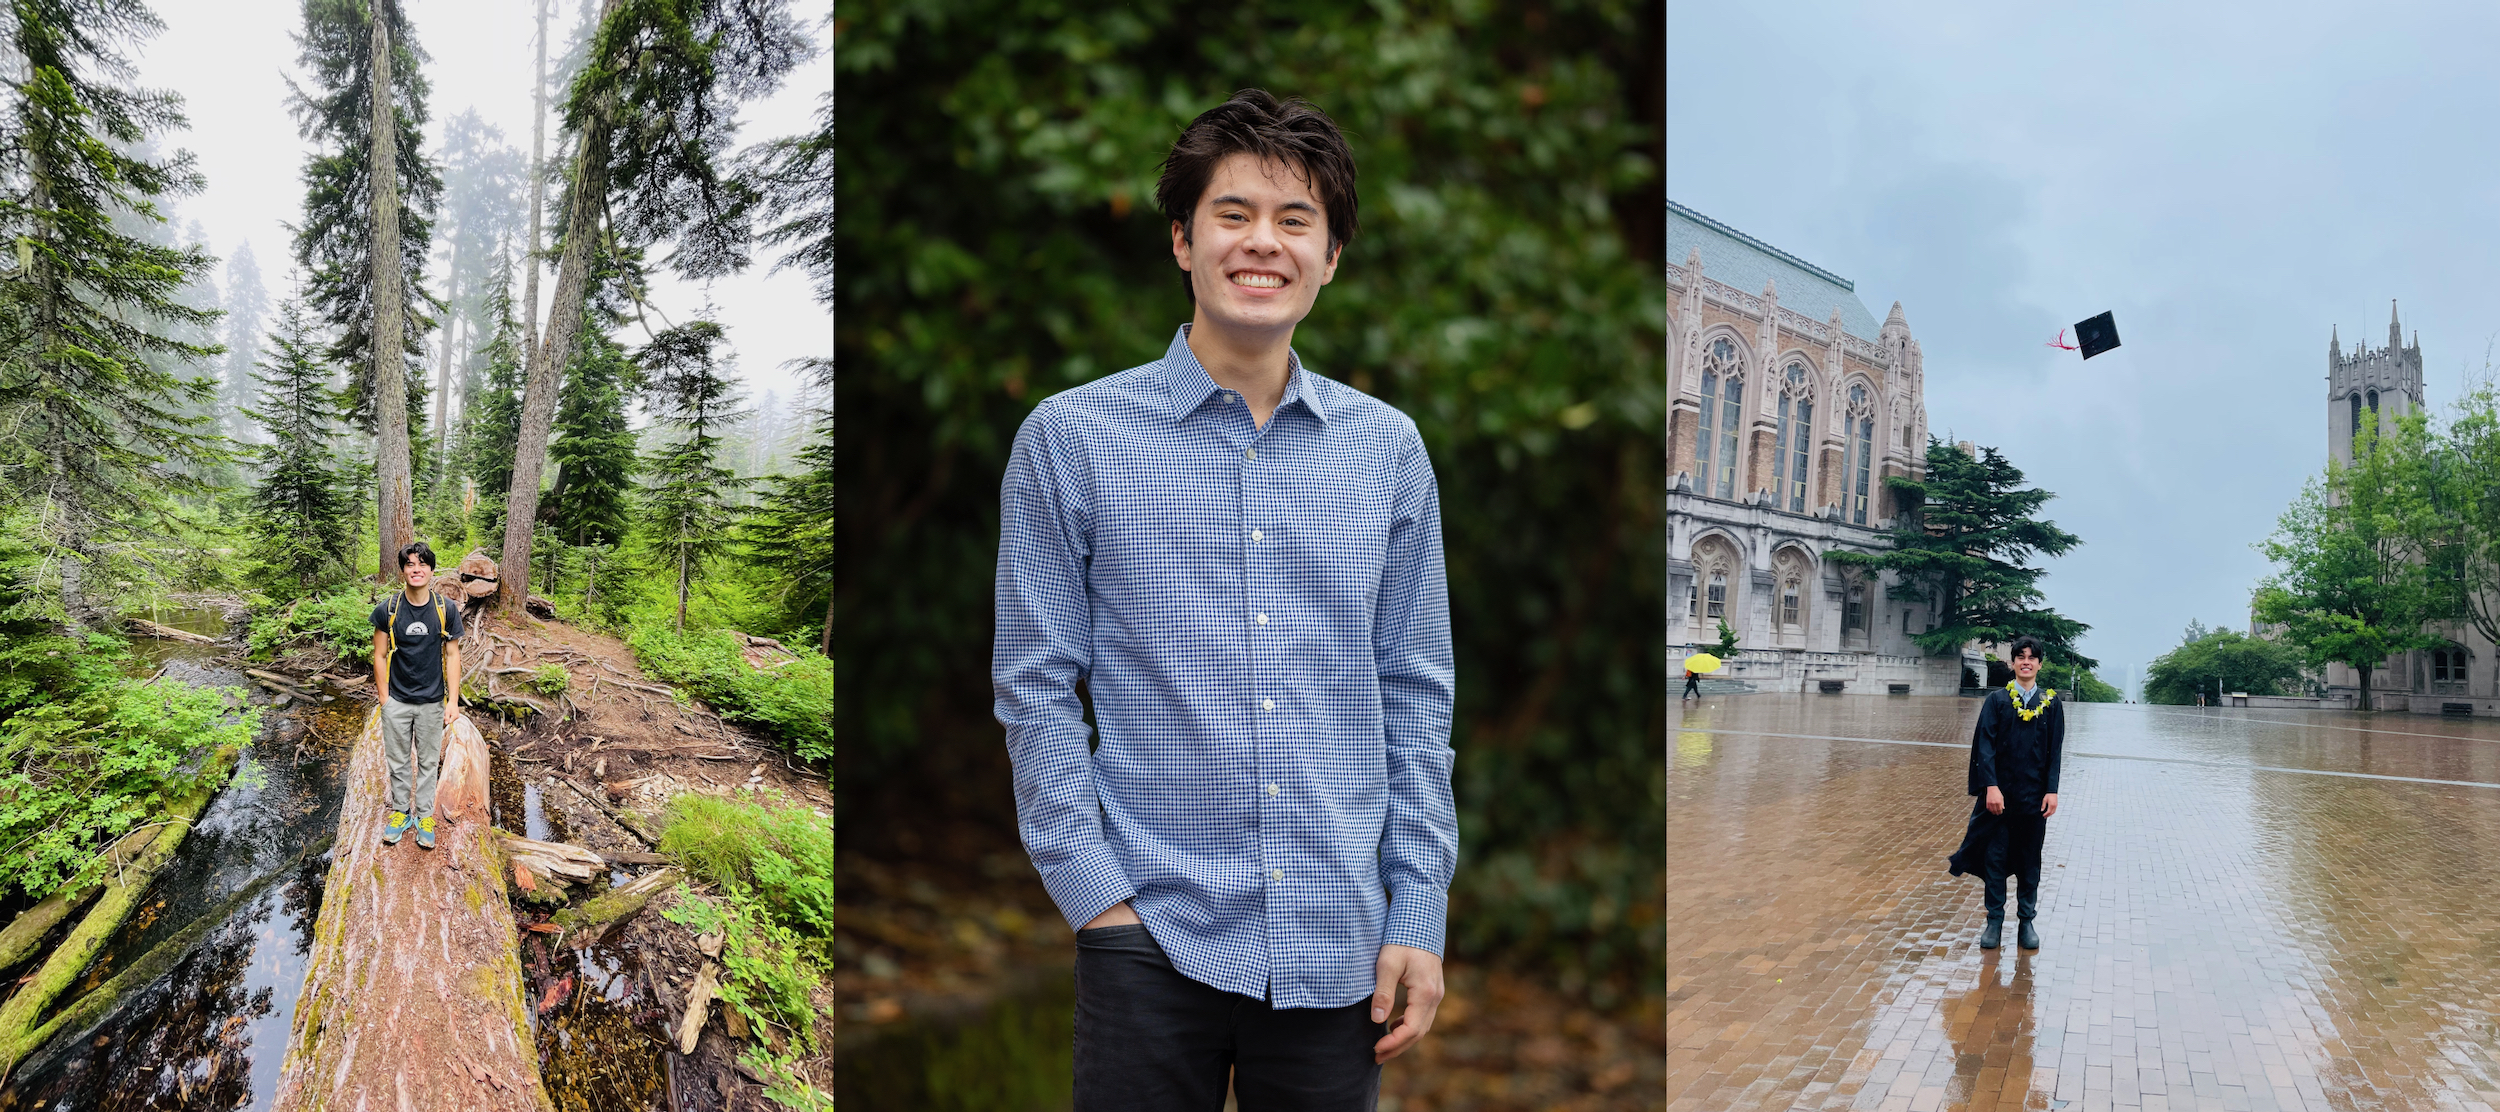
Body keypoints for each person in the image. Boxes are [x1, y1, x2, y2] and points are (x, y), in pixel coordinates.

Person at [993, 89, 1457, 1110]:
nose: (1264, 242)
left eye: (1296, 220)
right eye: (1233, 213)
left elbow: (1415, 692)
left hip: (1340, 943)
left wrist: (1416, 908)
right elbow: (1034, 685)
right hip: (1146, 933)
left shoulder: (1388, 451)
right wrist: (1095, 899)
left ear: (1330, 255)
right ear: (1182, 240)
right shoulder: (1071, 439)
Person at [1947, 637, 2064, 950]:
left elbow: (2054, 752)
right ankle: (1994, 921)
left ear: (2039, 664)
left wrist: (2052, 790)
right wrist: (1991, 787)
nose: (2026, 662)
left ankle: (2026, 921)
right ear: (2013, 663)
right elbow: (1984, 746)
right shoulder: (1998, 701)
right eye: (2020, 657)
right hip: (2000, 798)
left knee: (2030, 862)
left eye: (2032, 658)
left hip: (2033, 799)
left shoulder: (2051, 704)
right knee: (1995, 860)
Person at [372, 541, 465, 851]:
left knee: (427, 762)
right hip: (397, 700)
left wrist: (453, 701)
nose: (416, 569)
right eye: (410, 564)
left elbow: (452, 655)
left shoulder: (445, 609)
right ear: (403, 571)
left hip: (430, 701)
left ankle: (424, 816)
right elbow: (379, 654)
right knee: (398, 762)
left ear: (431, 570)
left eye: (422, 564)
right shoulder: (388, 609)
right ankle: (401, 813)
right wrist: (385, 699)